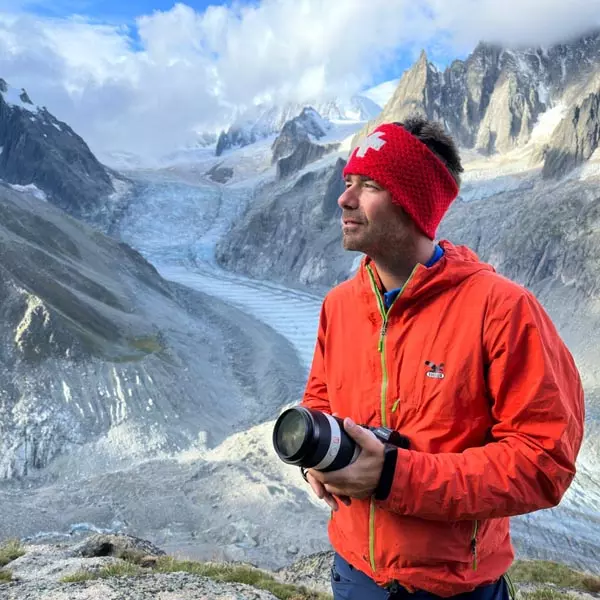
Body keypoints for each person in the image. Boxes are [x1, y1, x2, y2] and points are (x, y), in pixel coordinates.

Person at [298, 116, 586, 600]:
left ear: (414, 202)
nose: (344, 199)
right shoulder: (340, 306)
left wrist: (393, 475)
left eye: (368, 185)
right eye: (348, 182)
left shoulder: (501, 309)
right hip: (353, 573)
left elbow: (544, 460)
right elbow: (321, 398)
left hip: (453, 587)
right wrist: (315, 458)